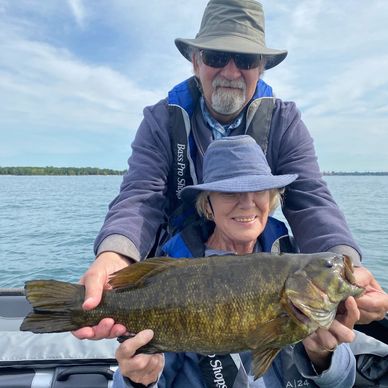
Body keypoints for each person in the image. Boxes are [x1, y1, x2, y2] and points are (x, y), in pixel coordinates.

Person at [73, 0, 387, 341]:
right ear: (196, 62)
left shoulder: (284, 121)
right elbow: (141, 195)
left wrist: (345, 266)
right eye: (217, 57)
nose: (231, 72)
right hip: (177, 271)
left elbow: (310, 198)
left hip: (255, 273)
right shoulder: (161, 120)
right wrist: (116, 256)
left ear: (262, 68)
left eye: (247, 60)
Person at [112, 135, 359, 388]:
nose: (247, 203)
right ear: (208, 203)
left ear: (272, 198)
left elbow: (343, 381)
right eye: (230, 192)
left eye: (259, 190)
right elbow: (144, 377)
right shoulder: (177, 268)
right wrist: (137, 380)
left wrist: (324, 355)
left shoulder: (299, 262)